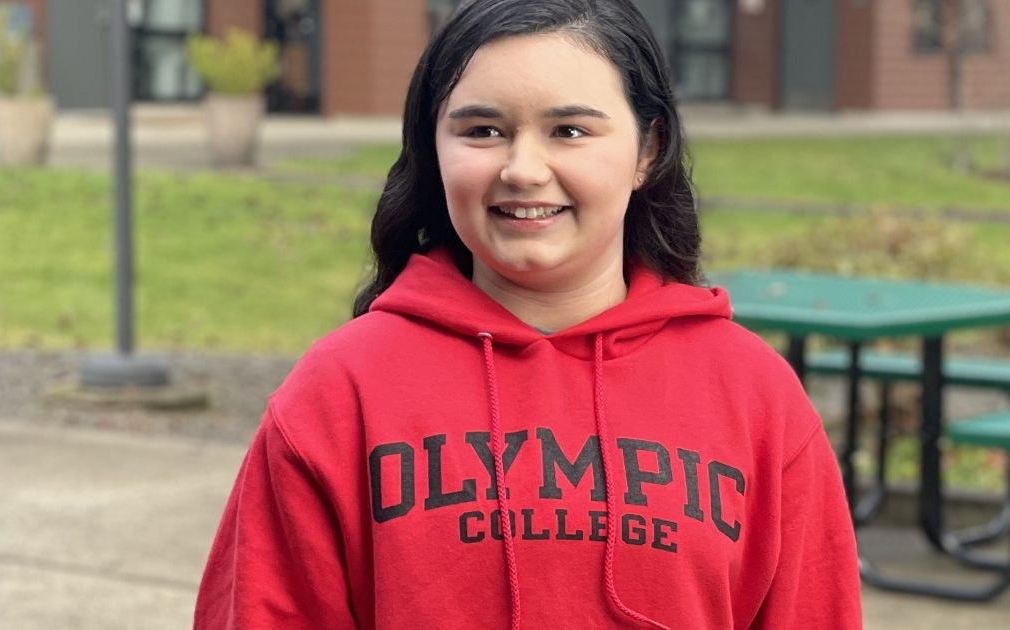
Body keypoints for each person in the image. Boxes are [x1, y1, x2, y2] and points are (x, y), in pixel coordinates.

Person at [191, 1, 861, 627]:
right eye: (484, 131)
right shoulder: (339, 392)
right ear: (434, 148)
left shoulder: (756, 399)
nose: (523, 169)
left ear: (647, 150)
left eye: (569, 130)